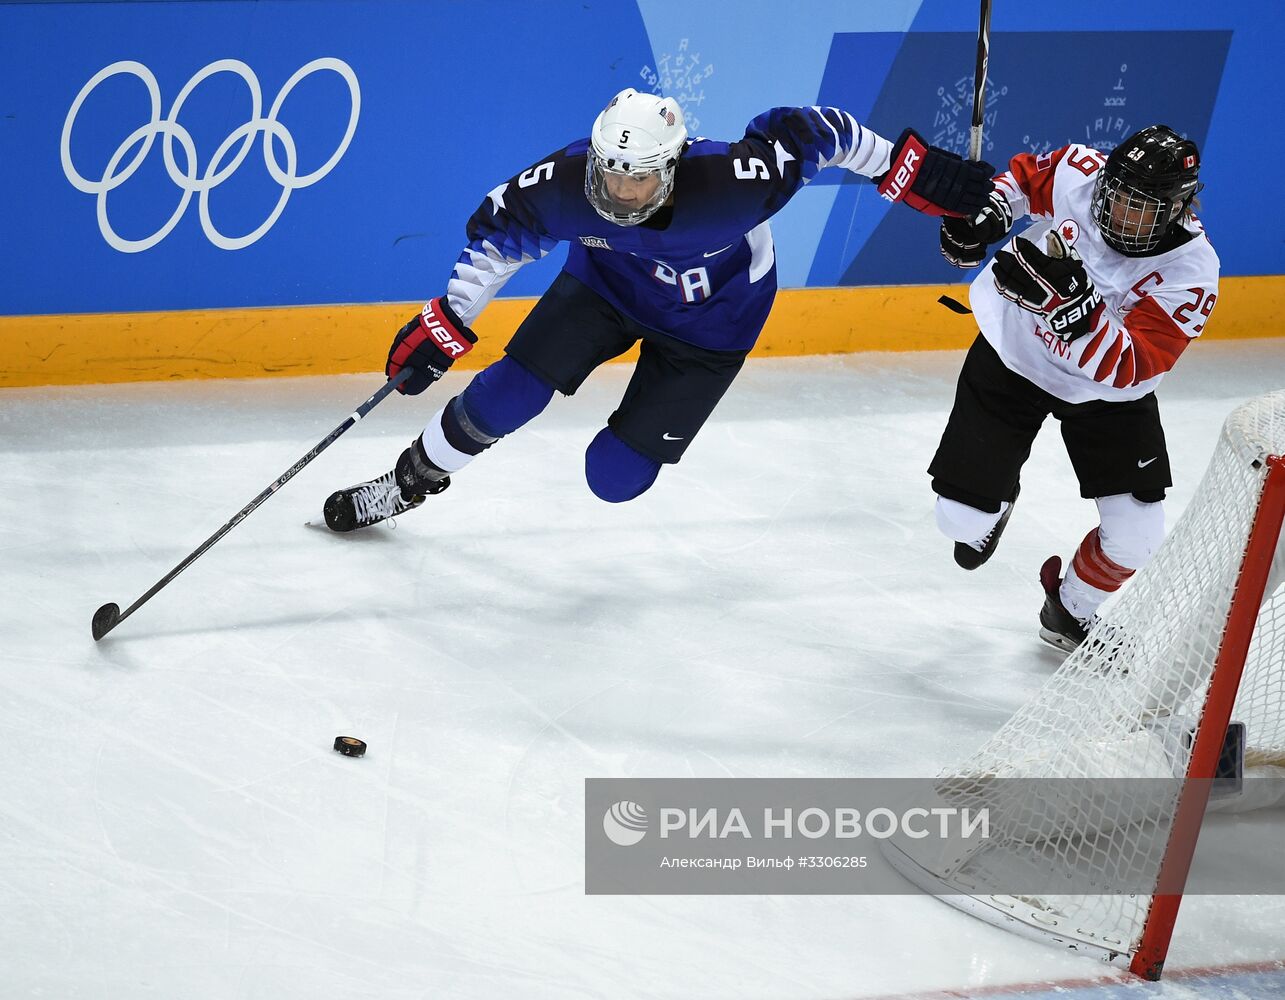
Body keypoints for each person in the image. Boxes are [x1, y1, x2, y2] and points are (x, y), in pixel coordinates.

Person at [322, 88, 993, 532]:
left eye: (636, 176)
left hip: (712, 328)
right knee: (506, 396)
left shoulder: (732, 186)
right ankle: (409, 481)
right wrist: (450, 317)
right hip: (605, 290)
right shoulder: (565, 183)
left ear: (670, 169)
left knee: (612, 478)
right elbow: (499, 238)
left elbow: (817, 132)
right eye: (609, 172)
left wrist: (914, 172)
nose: (617, 189)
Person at [929, 124, 1218, 652]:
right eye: (1117, 195)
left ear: (1177, 209)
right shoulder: (1080, 171)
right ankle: (994, 503)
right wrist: (988, 212)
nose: (1119, 214)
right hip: (1013, 353)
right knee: (959, 523)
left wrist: (1075, 315)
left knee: (1138, 542)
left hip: (1102, 395)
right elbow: (1021, 181)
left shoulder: (1192, 273)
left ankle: (1069, 609)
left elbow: (1132, 366)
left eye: (1141, 207)